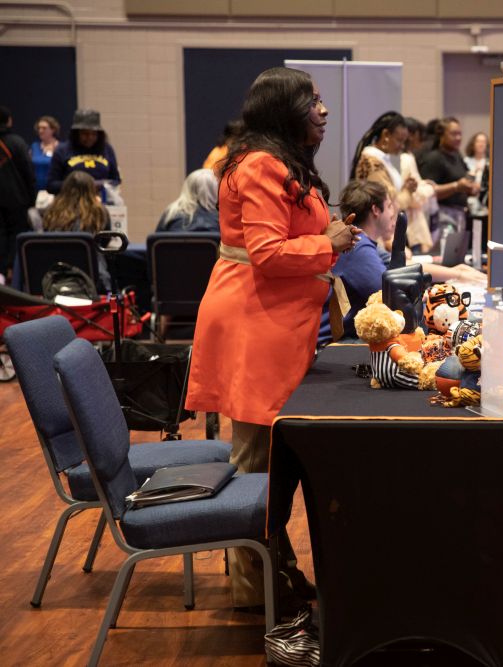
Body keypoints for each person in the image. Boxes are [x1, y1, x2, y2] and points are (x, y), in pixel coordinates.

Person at [185, 67, 361, 615]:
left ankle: (274, 567)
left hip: (275, 321)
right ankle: (251, 586)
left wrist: (327, 240)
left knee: (271, 458)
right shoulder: (261, 164)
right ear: (285, 110)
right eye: (312, 101)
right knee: (258, 460)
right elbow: (267, 253)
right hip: (254, 325)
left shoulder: (276, 160)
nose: (324, 111)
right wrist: (327, 241)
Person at [333, 179, 486, 338]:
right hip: (346, 341)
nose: (393, 212)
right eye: (390, 205)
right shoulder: (359, 248)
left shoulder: (364, 244)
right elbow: (393, 299)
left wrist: (455, 274)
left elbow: (401, 274)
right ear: (376, 210)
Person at [351, 111, 435, 251]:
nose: (402, 146)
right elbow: (386, 203)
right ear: (385, 135)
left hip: (383, 233)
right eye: (399, 140)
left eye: (404, 141)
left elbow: (391, 198)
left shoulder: (381, 160)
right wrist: (408, 191)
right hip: (377, 235)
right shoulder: (372, 162)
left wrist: (405, 189)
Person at [42, 171, 111, 290]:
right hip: (92, 278)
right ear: (91, 190)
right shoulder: (99, 212)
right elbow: (104, 243)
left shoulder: (50, 212)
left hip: (55, 277)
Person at [417, 116, 479, 234]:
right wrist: (456, 186)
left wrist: (471, 188)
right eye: (453, 134)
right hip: (441, 216)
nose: (458, 138)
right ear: (442, 135)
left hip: (460, 214)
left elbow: (465, 179)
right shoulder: (434, 158)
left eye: (460, 134)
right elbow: (427, 193)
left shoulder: (457, 156)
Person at [47, 109, 121, 196]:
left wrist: (102, 184)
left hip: (99, 202)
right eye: (85, 134)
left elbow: (116, 180)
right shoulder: (62, 150)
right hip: (70, 204)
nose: (90, 138)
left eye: (94, 134)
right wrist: (80, 185)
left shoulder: (106, 149)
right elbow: (51, 186)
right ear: (76, 134)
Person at [0, 106, 36, 283]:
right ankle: (12, 273)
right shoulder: (17, 142)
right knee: (16, 237)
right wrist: (32, 199)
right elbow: (28, 172)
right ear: (9, 121)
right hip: (17, 200)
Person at [155, 168, 220, 232]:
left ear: (187, 188)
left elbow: (155, 241)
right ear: (216, 190)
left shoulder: (171, 212)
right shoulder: (221, 217)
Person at [31, 115, 60, 192]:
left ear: (53, 129)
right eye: (39, 128)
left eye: (44, 128)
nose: (40, 131)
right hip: (37, 189)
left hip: (54, 189)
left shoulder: (60, 148)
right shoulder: (34, 146)